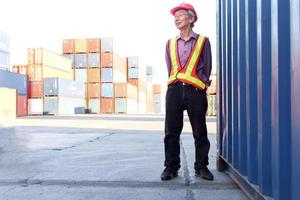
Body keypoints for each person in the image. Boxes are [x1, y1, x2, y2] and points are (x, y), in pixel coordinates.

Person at [161, 2, 214, 181]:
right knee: (171, 131)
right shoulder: (169, 43)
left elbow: (206, 68)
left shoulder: (203, 41)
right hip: (174, 90)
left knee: (200, 131)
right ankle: (171, 167)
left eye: (181, 14)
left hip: (195, 92)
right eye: (175, 15)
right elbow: (170, 67)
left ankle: (201, 167)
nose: (176, 18)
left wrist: (200, 85)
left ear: (191, 19)